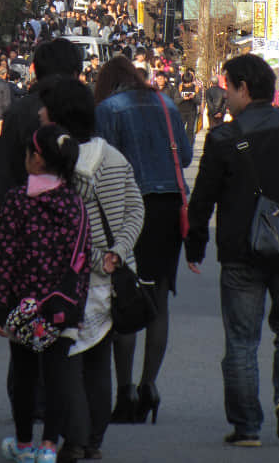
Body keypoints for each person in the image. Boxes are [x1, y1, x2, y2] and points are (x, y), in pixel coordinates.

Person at [185, 54, 279, 447]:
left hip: (240, 248)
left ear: (244, 88)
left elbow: (203, 198)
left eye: (228, 88)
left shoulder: (224, 137)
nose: (226, 96)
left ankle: (247, 426)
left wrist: (195, 243)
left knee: (241, 339)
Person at [40, 79, 144, 463]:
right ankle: (93, 440)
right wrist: (118, 253)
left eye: (46, 108)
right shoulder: (115, 157)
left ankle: (76, 439)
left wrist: (98, 257)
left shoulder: (60, 165)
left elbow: (61, 229)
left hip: (75, 278)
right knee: (99, 361)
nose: (40, 114)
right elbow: (136, 209)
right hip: (114, 279)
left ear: (60, 116)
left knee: (68, 359)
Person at [94, 56, 192, 425]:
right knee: (159, 298)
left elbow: (100, 162)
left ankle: (125, 392)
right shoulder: (166, 104)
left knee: (126, 294)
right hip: (169, 207)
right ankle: (149, 385)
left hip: (129, 205)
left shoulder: (108, 109)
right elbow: (184, 156)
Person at [0, 124, 91, 463]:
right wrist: (77, 305)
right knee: (57, 377)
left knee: (24, 376)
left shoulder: (18, 200)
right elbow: (82, 258)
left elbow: (4, 256)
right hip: (62, 306)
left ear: (36, 159)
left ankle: (23, 444)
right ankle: (48, 446)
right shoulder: (74, 202)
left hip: (25, 306)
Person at [0, 38, 82, 213]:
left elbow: (3, 175)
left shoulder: (18, 111)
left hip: (24, 215)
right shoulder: (83, 111)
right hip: (74, 215)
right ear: (75, 73)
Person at [177, 67, 201, 146]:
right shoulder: (180, 88)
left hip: (192, 112)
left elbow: (199, 101)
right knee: (180, 129)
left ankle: (189, 146)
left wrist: (193, 97)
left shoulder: (196, 88)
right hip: (181, 111)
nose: (187, 85)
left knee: (190, 130)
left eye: (189, 83)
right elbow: (175, 100)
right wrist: (183, 98)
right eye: (185, 83)